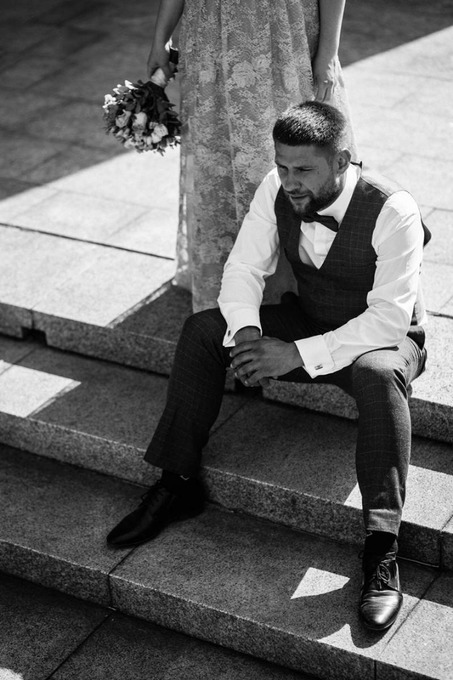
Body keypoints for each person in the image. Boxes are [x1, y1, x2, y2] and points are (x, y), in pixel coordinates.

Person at [107, 101, 429, 632]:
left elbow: (390, 320)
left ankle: (382, 546)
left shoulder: (394, 210)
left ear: (342, 160)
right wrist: (250, 336)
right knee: (205, 331)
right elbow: (243, 268)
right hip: (311, 318)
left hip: (381, 340)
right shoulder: (276, 188)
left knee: (378, 374)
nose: (289, 180)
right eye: (282, 165)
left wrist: (294, 354)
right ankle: (178, 481)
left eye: (303, 169)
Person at [147, 0, 356, 311]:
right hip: (210, 34)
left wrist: (328, 52)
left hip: (283, 29)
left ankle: (297, 289)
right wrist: (161, 39)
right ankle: (230, 284)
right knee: (217, 159)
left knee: (289, 155)